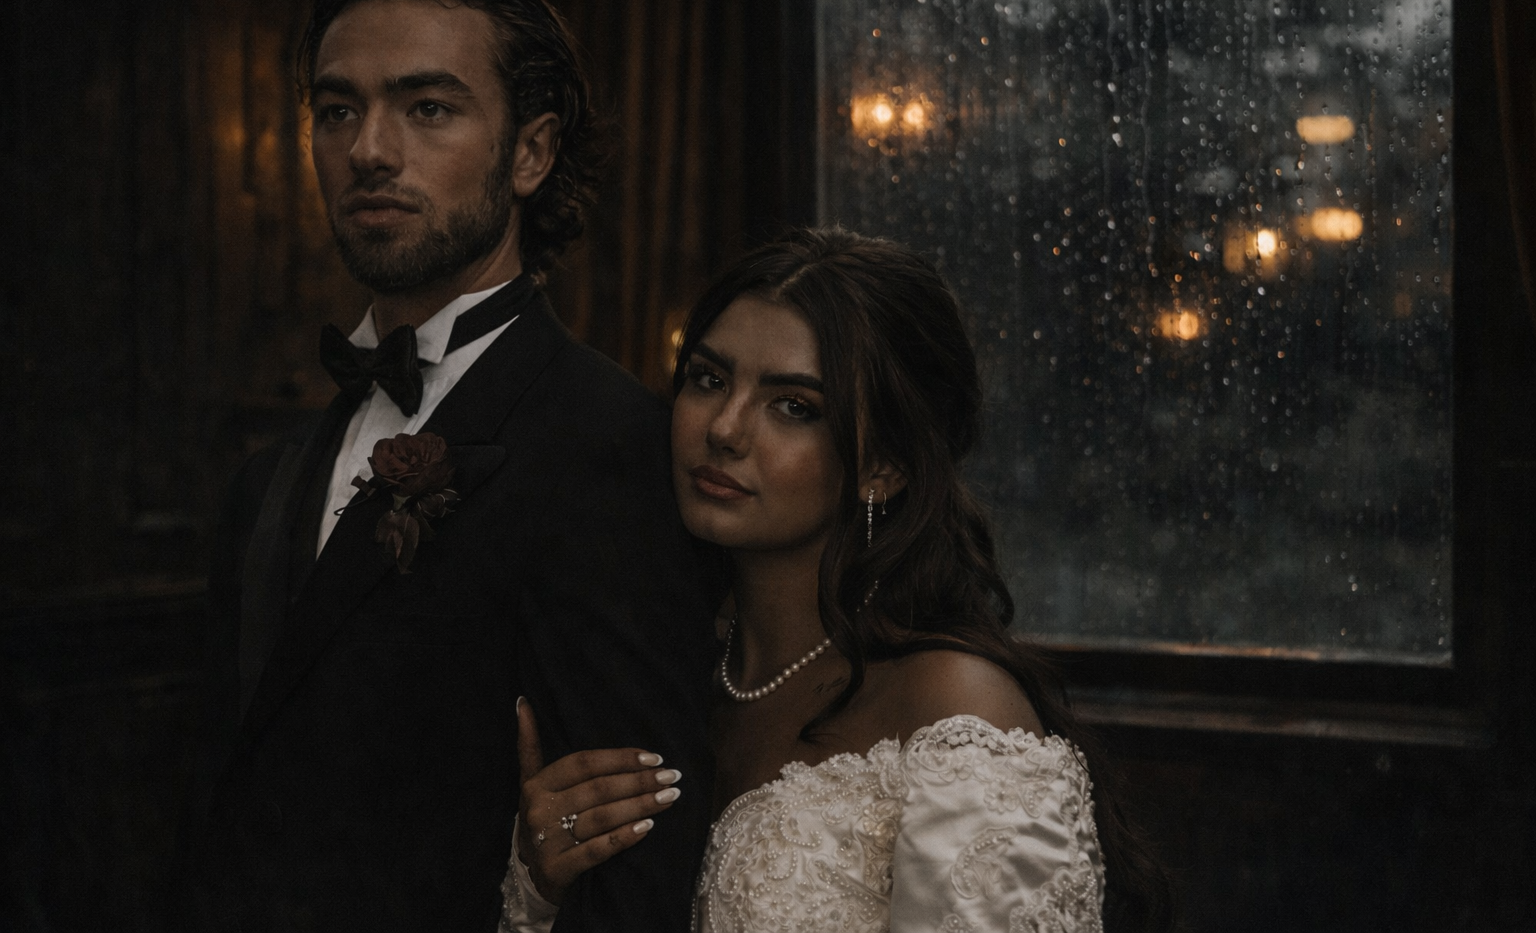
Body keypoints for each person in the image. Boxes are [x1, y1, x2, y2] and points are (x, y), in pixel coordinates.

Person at [183, 0, 717, 933]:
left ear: (531, 152)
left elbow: (635, 867)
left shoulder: (611, 445)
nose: (369, 149)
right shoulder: (266, 482)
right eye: (337, 109)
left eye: (427, 107)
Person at [499, 229, 1172, 932]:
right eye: (709, 379)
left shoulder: (953, 704)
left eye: (794, 407)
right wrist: (542, 889)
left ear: (885, 465)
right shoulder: (659, 664)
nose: (724, 429)